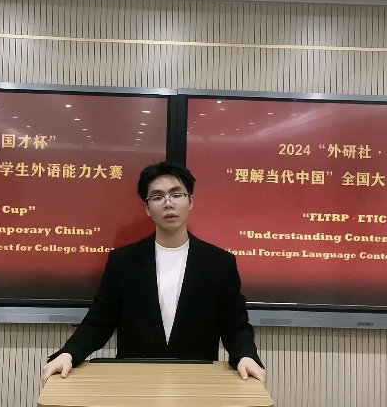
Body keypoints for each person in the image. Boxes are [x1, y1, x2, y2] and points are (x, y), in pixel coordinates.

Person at [41, 161, 266, 385]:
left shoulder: (219, 263)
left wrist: (246, 356)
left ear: (190, 201)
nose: (168, 203)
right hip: (136, 382)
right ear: (147, 208)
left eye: (176, 194)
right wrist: (69, 354)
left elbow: (235, 325)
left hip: (196, 382)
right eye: (157, 197)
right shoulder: (124, 261)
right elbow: (98, 323)